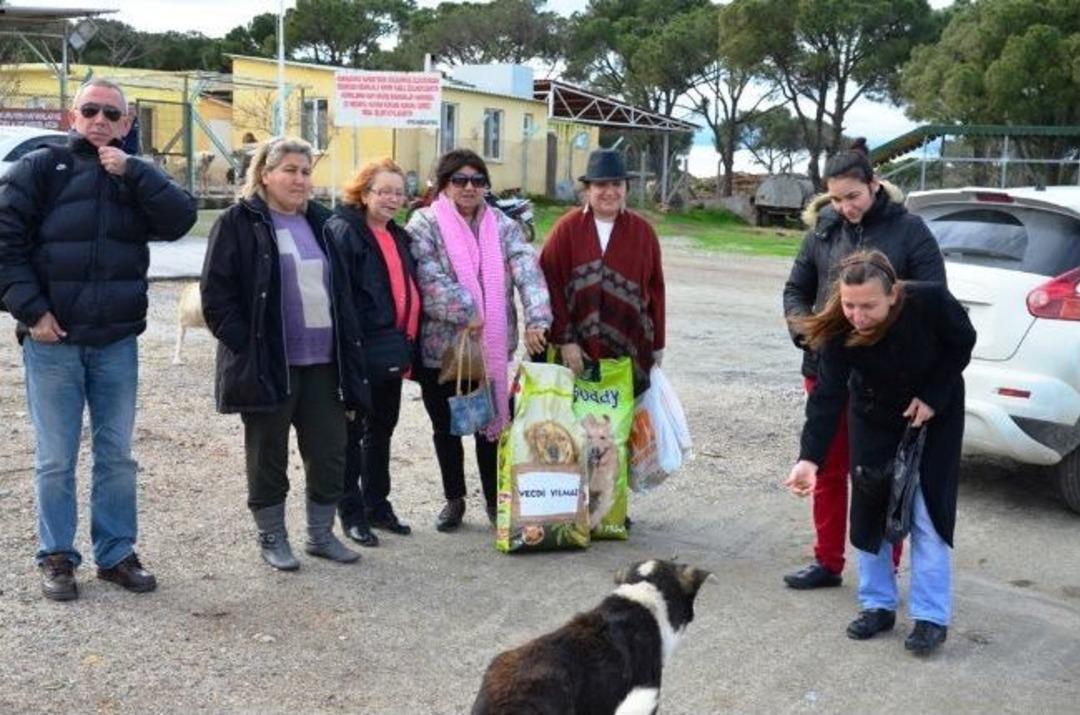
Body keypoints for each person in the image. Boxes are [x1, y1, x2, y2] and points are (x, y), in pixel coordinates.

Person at [0, 78, 197, 601]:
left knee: (116, 456)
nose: (100, 120)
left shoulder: (134, 175)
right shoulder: (39, 168)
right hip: (53, 341)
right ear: (72, 116)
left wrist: (136, 172)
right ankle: (57, 556)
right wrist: (32, 311)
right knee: (56, 457)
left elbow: (181, 218)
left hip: (115, 343)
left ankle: (115, 554)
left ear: (127, 124)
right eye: (90, 110)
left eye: (113, 113)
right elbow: (5, 243)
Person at [785, 250, 975, 656]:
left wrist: (934, 395)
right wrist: (809, 458)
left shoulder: (930, 302)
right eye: (850, 304)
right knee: (870, 511)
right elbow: (827, 397)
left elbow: (962, 344)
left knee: (927, 514)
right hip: (873, 418)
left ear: (893, 295)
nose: (857, 314)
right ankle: (877, 605)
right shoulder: (839, 328)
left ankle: (930, 618)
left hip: (932, 418)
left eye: (868, 305)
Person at [780, 138, 946, 590]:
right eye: (835, 198)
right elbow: (796, 289)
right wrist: (806, 332)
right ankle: (827, 561)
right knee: (826, 467)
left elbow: (933, 302)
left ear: (874, 184)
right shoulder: (823, 230)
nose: (845, 206)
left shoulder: (910, 232)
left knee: (877, 477)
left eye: (852, 196)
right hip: (826, 371)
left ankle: (883, 572)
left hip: (886, 379)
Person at [200, 136, 359, 571]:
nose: (299, 179)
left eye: (306, 171)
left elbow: (343, 296)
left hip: (324, 363)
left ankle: (321, 535)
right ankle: (272, 536)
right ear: (265, 175)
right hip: (270, 362)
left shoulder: (325, 224)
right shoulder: (239, 222)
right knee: (267, 453)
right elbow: (216, 296)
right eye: (289, 169)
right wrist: (247, 345)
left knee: (330, 452)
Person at [406, 148, 551, 532]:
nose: (470, 187)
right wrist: (470, 310)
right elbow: (428, 279)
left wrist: (538, 318)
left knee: (491, 429)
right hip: (443, 351)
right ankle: (454, 500)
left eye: (478, 180)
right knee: (447, 428)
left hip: (490, 350)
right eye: (460, 180)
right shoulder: (424, 223)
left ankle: (492, 500)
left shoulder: (503, 225)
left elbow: (528, 272)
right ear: (444, 184)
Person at [324, 158, 421, 547]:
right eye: (384, 191)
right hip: (358, 349)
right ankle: (350, 512)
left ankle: (377, 504)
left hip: (392, 348)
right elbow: (340, 295)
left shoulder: (398, 235)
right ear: (364, 193)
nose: (392, 199)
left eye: (398, 192)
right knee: (351, 433)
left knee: (382, 429)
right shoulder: (344, 231)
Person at [539, 148, 665, 397]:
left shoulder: (643, 233)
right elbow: (549, 286)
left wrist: (657, 343)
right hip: (574, 350)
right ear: (587, 190)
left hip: (630, 349)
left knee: (617, 428)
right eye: (601, 185)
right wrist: (565, 340)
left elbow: (655, 290)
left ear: (626, 188)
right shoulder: (566, 229)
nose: (610, 192)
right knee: (574, 428)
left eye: (617, 184)